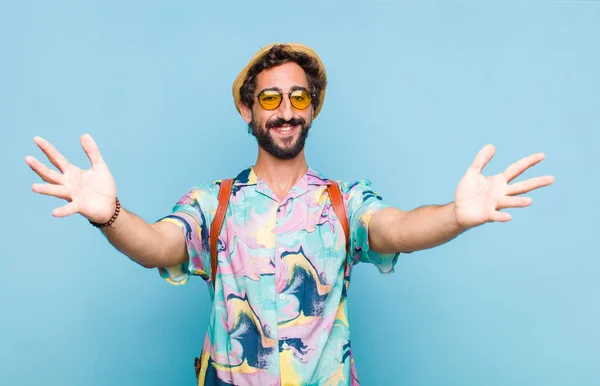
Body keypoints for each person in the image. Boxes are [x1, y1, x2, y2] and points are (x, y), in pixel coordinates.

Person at [25, 43, 554, 386]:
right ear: (248, 109)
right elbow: (159, 247)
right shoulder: (214, 203)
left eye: (298, 96)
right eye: (270, 97)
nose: (285, 109)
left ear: (312, 107)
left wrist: (458, 216)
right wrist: (109, 214)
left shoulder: (344, 202)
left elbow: (397, 229)